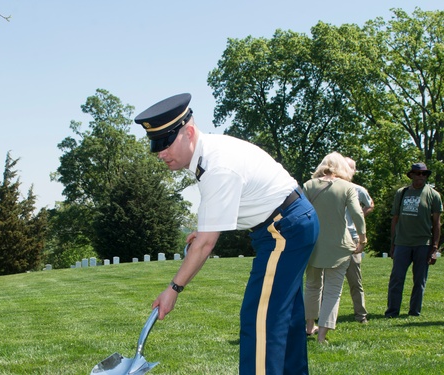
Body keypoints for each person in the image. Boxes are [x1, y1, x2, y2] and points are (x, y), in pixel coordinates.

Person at [134, 93, 319, 375]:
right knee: (287, 320)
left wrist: (173, 289)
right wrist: (205, 228)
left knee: (260, 321)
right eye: (155, 145)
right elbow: (228, 207)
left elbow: (207, 244)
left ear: (189, 133)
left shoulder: (216, 166)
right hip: (291, 221)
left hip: (284, 230)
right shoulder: (210, 155)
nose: (160, 153)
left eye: (165, 143)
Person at [302, 152, 366, 344]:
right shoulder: (347, 187)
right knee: (332, 291)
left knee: (312, 286)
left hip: (313, 245)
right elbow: (357, 213)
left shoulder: (308, 185)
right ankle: (322, 336)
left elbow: (300, 212)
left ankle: (308, 327)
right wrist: (362, 238)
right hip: (340, 246)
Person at [385, 162, 442, 318]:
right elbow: (395, 219)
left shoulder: (433, 195)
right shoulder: (401, 193)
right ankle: (392, 311)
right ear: (411, 175)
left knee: (419, 281)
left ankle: (414, 312)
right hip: (402, 243)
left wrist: (434, 248)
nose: (421, 176)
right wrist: (393, 244)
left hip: (423, 244)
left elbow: (437, 223)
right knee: (396, 278)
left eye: (424, 174)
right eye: (417, 173)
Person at [344, 157, 374, 324]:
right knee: (324, 282)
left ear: (354, 171)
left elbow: (370, 204)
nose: (347, 171)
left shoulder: (358, 190)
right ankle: (318, 317)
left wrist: (359, 216)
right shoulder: (329, 188)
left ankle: (361, 316)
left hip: (353, 238)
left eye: (351, 168)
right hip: (332, 239)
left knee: (355, 281)